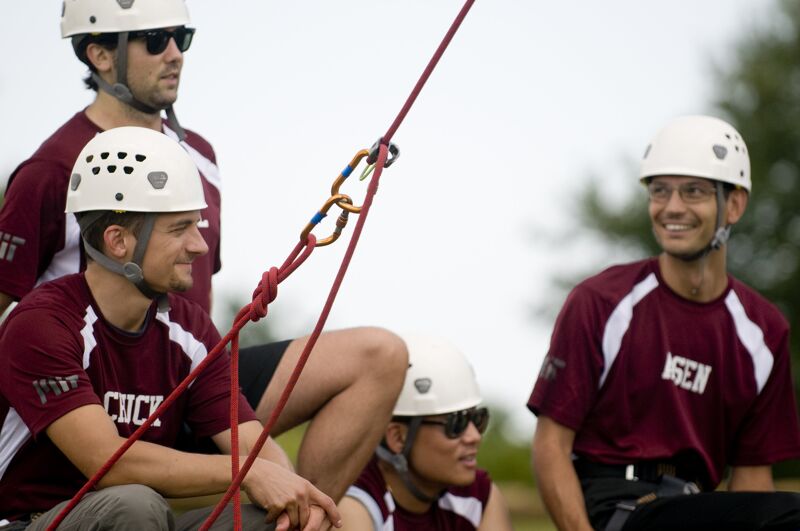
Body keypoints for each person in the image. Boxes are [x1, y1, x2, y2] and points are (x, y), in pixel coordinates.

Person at [0, 0, 408, 504]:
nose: (175, 55)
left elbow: (195, 305)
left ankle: (299, 509)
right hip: (90, 399)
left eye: (181, 38)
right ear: (100, 54)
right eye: (155, 40)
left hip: (189, 372)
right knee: (134, 503)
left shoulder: (200, 158)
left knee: (380, 356)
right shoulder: (51, 170)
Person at [0, 127, 345, 530]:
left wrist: (290, 491)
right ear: (118, 241)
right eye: (180, 229)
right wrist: (245, 472)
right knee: (133, 505)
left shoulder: (190, 328)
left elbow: (258, 450)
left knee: (283, 522)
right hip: (30, 522)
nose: (199, 245)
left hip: (144, 518)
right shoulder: (42, 323)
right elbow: (105, 463)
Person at [528, 115, 800, 531]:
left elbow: (751, 480)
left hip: (699, 511)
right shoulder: (600, 301)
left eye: (693, 191)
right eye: (660, 191)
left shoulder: (764, 331)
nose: (673, 207)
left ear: (734, 204)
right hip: (617, 509)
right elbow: (550, 445)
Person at [337, 335, 513, 530]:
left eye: (477, 419)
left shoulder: (478, 496)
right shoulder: (354, 504)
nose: (475, 437)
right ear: (397, 437)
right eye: (456, 423)